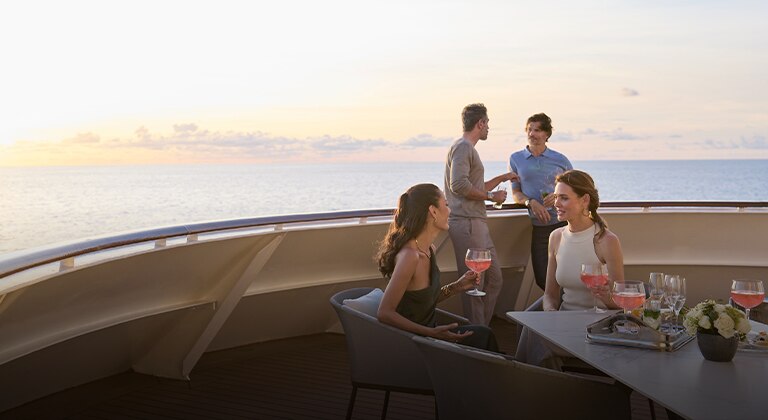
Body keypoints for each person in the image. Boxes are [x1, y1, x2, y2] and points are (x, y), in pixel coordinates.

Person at [516, 170, 622, 369]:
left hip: (596, 327)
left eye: (564, 198)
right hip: (564, 323)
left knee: (533, 338)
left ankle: (535, 387)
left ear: (585, 200)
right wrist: (550, 314)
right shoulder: (556, 237)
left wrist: (606, 297)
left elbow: (620, 304)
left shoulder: (607, 241)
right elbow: (550, 295)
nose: (556, 203)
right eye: (556, 197)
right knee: (533, 331)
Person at [376, 183, 499, 351]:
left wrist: (458, 286)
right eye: (446, 205)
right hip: (413, 343)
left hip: (429, 335)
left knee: (484, 334)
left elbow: (422, 302)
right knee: (483, 338)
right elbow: (384, 313)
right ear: (433, 211)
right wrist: (432, 333)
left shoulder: (428, 250)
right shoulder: (410, 257)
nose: (449, 211)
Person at [444, 103, 519, 325]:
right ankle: (477, 339)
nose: (488, 129)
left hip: (477, 223)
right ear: (481, 123)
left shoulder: (467, 149)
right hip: (467, 223)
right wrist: (491, 197)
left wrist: (502, 178)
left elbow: (473, 184)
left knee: (495, 279)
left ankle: (481, 330)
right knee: (474, 284)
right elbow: (458, 185)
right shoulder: (464, 147)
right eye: (487, 124)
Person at [508, 113, 573, 291]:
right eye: (529, 129)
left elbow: (574, 189)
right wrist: (531, 203)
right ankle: (557, 312)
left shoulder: (560, 159)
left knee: (565, 277)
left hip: (562, 225)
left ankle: (562, 315)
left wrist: (558, 196)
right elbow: (516, 193)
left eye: (537, 130)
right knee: (542, 279)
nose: (532, 133)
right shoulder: (516, 159)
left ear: (546, 134)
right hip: (540, 226)